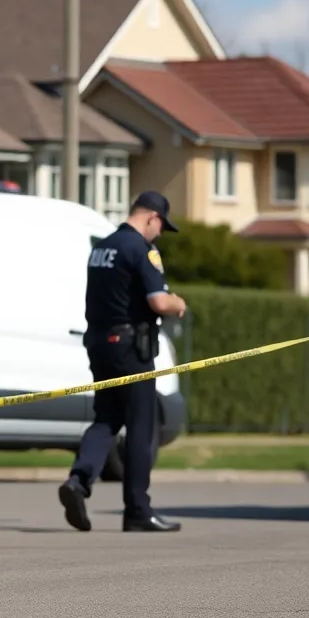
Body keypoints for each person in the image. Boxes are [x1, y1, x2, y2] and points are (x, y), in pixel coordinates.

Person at [58, 191, 187, 534]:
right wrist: (178, 303)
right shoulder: (141, 250)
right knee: (142, 428)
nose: (160, 234)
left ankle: (78, 481)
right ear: (152, 218)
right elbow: (158, 302)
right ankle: (138, 511)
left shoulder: (102, 247)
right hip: (131, 349)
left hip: (99, 344)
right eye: (161, 226)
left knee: (107, 418)